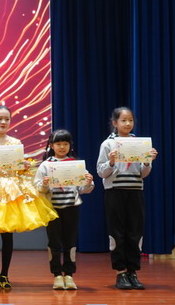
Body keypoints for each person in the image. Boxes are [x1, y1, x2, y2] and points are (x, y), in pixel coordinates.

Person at [0, 105, 57, 289]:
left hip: (11, 191)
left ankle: (5, 274)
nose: (3, 122)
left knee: (7, 234)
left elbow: (17, 170)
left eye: (7, 119)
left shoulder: (15, 142)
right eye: (0, 119)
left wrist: (24, 166)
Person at [96, 107, 158, 290]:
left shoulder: (140, 143)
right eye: (123, 120)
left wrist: (147, 161)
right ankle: (120, 272)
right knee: (117, 233)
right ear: (115, 123)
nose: (128, 124)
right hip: (115, 192)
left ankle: (133, 271)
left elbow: (143, 174)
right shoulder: (108, 144)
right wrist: (111, 162)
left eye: (130, 120)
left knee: (135, 232)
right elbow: (101, 172)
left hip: (135, 191)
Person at [34, 129, 94, 290]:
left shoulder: (75, 164)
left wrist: (88, 181)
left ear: (70, 145)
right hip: (52, 209)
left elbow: (84, 189)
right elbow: (38, 187)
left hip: (71, 208)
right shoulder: (46, 165)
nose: (62, 147)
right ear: (51, 145)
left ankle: (69, 274)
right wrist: (44, 184)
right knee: (54, 243)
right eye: (58, 144)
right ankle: (57, 275)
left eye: (65, 144)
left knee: (70, 242)